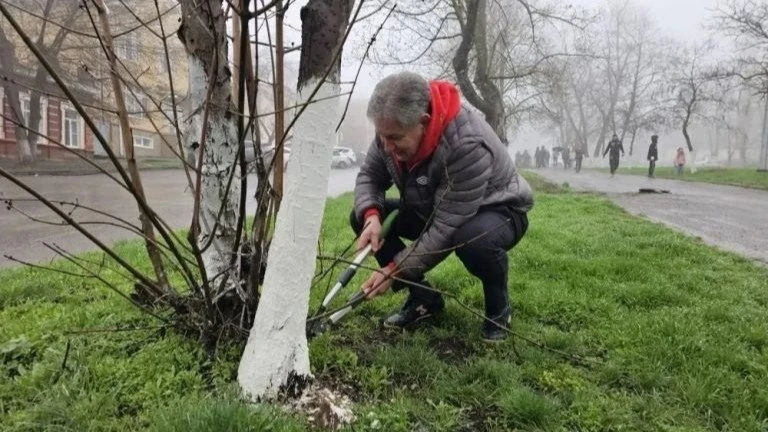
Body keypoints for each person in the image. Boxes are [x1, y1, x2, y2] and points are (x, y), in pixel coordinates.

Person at [350, 72, 534, 342]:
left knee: (474, 241)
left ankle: (499, 308)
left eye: (394, 138)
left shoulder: (467, 143)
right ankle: (423, 299)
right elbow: (370, 176)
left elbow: (447, 226)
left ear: (423, 122)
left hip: (498, 210)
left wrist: (395, 269)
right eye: (381, 136)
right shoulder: (391, 128)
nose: (386, 147)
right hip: (435, 208)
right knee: (362, 216)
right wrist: (371, 216)